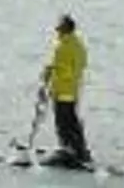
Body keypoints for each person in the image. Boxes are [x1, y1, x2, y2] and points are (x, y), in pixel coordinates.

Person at [41, 14, 91, 165]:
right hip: (73, 89)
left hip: (62, 90)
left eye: (59, 28)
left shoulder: (62, 47)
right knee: (72, 120)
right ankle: (80, 150)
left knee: (63, 122)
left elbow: (58, 69)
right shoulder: (78, 44)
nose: (57, 31)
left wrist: (48, 77)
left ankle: (67, 152)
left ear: (64, 29)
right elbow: (80, 64)